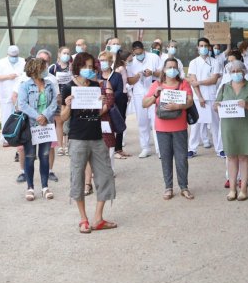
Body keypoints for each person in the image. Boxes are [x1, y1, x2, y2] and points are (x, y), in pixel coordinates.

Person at [59, 53, 118, 230]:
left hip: (97, 137)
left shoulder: (94, 86)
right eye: (85, 66)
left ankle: (98, 218)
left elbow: (97, 112)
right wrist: (68, 105)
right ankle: (83, 218)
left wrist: (101, 104)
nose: (89, 70)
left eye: (91, 67)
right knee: (77, 177)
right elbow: (63, 117)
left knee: (105, 175)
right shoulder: (68, 88)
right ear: (77, 67)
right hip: (78, 138)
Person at [143, 56, 194, 200]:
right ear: (164, 70)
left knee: (181, 158)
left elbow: (190, 102)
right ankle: (168, 187)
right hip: (162, 128)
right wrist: (155, 95)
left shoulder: (183, 83)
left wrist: (178, 106)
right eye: (169, 67)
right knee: (165, 158)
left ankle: (184, 187)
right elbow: (144, 103)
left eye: (174, 67)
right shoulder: (157, 84)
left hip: (179, 127)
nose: (172, 70)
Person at [216, 60, 248, 201]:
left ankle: (243, 188)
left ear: (244, 72)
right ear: (229, 73)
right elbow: (216, 105)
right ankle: (232, 189)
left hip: (246, 127)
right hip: (228, 127)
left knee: (243, 156)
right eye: (233, 71)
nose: (236, 73)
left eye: (238, 71)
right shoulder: (224, 87)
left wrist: (247, 105)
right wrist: (216, 106)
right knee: (231, 157)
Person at [14, 57, 58, 202]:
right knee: (30, 156)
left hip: (46, 124)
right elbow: (22, 104)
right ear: (35, 69)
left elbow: (54, 102)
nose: (46, 70)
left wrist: (45, 115)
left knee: (44, 155)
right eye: (43, 67)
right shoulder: (25, 85)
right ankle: (30, 187)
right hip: (30, 126)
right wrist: (37, 116)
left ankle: (45, 187)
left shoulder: (50, 84)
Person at [188, 37, 223, 157]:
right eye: (201, 46)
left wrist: (199, 82)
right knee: (195, 124)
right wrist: (200, 97)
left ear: (209, 47)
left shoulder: (215, 62)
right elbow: (193, 81)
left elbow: (213, 80)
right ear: (198, 47)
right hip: (198, 98)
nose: (203, 48)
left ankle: (220, 149)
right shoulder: (193, 62)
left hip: (212, 96)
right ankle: (192, 149)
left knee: (215, 124)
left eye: (205, 46)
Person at [126, 41, 161, 159]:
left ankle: (160, 149)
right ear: (133, 52)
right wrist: (138, 76)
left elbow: (162, 73)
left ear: (143, 49)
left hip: (154, 92)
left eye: (140, 53)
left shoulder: (154, 57)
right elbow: (129, 80)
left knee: (156, 121)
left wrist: (152, 73)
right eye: (136, 54)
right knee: (142, 121)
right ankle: (145, 148)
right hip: (138, 94)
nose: (139, 55)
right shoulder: (131, 62)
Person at [0, 45, 25, 144]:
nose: (14, 58)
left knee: (20, 116)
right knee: (6, 117)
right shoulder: (0, 63)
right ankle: (5, 139)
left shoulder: (23, 61)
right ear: (7, 54)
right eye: (12, 56)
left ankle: (18, 136)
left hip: (19, 94)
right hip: (5, 94)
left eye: (16, 56)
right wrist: (8, 76)